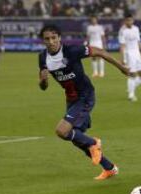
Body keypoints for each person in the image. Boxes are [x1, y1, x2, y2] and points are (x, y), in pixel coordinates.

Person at [38, 25, 129, 179]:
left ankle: (94, 142)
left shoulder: (72, 51)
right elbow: (43, 87)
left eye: (54, 37)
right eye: (47, 39)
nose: (51, 41)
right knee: (77, 139)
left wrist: (121, 67)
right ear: (43, 41)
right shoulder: (42, 57)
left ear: (59, 37)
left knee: (62, 131)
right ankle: (109, 168)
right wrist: (43, 81)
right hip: (71, 99)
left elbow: (99, 52)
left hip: (85, 96)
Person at [119, 13, 141, 102]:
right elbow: (122, 45)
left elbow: (138, 41)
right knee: (132, 75)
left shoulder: (136, 29)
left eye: (131, 20)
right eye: (128, 20)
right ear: (125, 21)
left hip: (137, 54)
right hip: (129, 54)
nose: (129, 22)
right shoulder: (122, 31)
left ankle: (131, 88)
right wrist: (122, 58)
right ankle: (131, 95)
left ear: (133, 20)